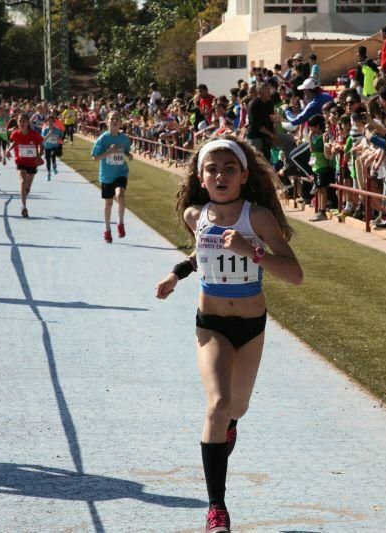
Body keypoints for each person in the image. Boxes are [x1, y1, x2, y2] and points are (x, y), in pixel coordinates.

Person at [154, 137, 303, 532]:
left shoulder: (258, 219)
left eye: (229, 169)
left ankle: (229, 428)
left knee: (237, 409)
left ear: (244, 175)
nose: (220, 175)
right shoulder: (195, 214)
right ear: (201, 178)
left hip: (251, 326)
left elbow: (295, 275)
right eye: (212, 169)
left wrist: (252, 251)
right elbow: (200, 252)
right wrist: (176, 274)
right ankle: (216, 509)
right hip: (212, 323)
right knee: (217, 405)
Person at [91, 111, 133, 243]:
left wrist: (128, 155)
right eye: (112, 119)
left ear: (120, 122)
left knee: (120, 195)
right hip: (107, 176)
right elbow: (95, 158)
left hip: (121, 172)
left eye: (117, 119)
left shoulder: (124, 139)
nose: (114, 121)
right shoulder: (103, 139)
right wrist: (109, 151)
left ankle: (120, 223)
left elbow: (125, 150)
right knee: (108, 203)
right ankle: (107, 229)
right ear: (107, 121)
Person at [7, 113, 43, 218]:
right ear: (17, 123)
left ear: (28, 122)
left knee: (27, 188)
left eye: (23, 121)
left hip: (32, 162)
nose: (21, 123)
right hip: (21, 160)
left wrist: (39, 156)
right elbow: (15, 142)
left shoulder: (34, 134)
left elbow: (41, 145)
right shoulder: (15, 134)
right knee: (22, 181)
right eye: (20, 121)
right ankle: (23, 207)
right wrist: (8, 150)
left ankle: (24, 196)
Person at [41, 115, 63, 180]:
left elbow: (61, 138)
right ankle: (48, 174)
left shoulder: (57, 130)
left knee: (53, 155)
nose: (50, 122)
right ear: (47, 122)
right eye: (49, 121)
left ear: (54, 122)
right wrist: (49, 134)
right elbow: (43, 139)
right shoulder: (45, 130)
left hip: (55, 146)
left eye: (51, 121)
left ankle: (54, 165)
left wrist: (59, 136)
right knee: (48, 160)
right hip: (47, 146)